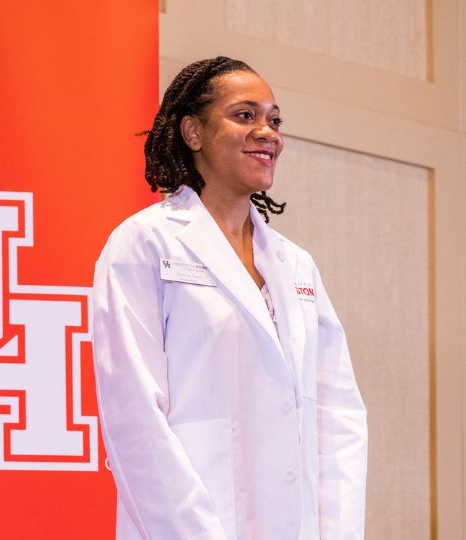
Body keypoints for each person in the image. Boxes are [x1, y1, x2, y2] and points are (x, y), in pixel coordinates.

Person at [92, 56, 367, 540]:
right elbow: (135, 419)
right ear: (193, 132)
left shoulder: (296, 265)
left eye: (274, 120)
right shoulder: (145, 243)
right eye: (245, 115)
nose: (268, 132)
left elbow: (337, 416)